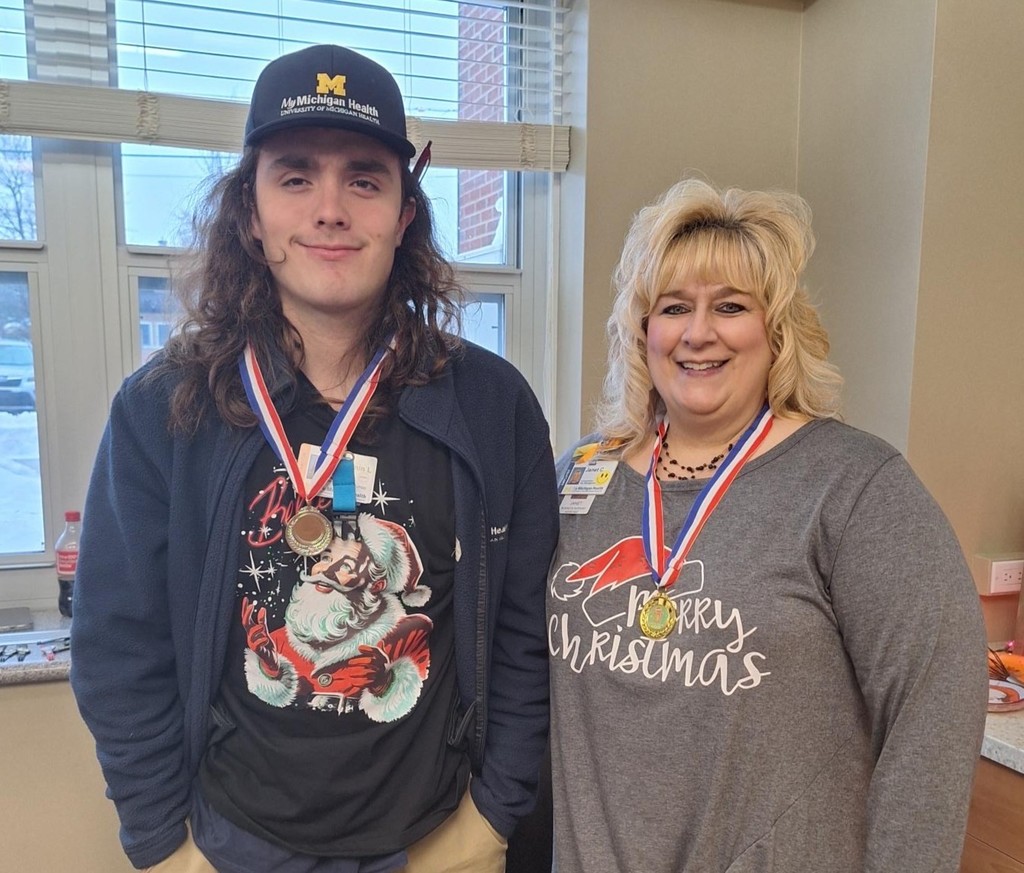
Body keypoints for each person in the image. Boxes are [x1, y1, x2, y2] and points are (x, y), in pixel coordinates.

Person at [70, 43, 558, 873]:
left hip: (435, 840)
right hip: (234, 844)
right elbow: (119, 643)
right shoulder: (164, 407)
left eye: (364, 179)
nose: (330, 209)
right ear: (251, 213)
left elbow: (526, 633)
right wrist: (163, 845)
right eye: (296, 176)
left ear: (405, 214)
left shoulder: (492, 404)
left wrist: (492, 818)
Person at [547, 178, 988, 873]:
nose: (698, 333)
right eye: (673, 308)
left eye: (730, 306)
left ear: (776, 329)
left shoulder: (855, 486)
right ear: (642, 330)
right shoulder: (580, 476)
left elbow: (933, 713)